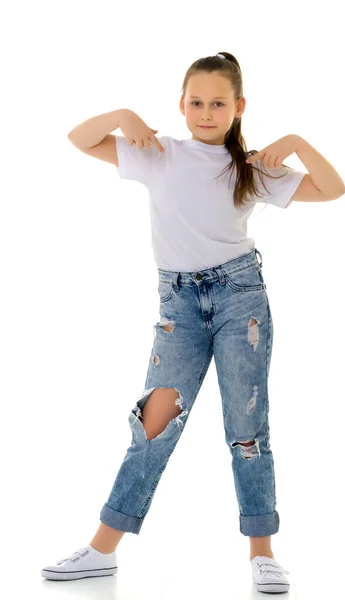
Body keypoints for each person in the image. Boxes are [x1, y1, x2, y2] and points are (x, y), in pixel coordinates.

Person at [41, 51, 308, 593]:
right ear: (181, 105)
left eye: (218, 103)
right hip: (178, 308)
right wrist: (122, 114)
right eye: (196, 102)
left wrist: (297, 144)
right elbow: (78, 138)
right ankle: (102, 550)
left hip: (241, 302)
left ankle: (263, 553)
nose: (206, 112)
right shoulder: (160, 153)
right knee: (154, 425)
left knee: (247, 430)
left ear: (239, 107)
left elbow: (333, 190)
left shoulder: (250, 168)